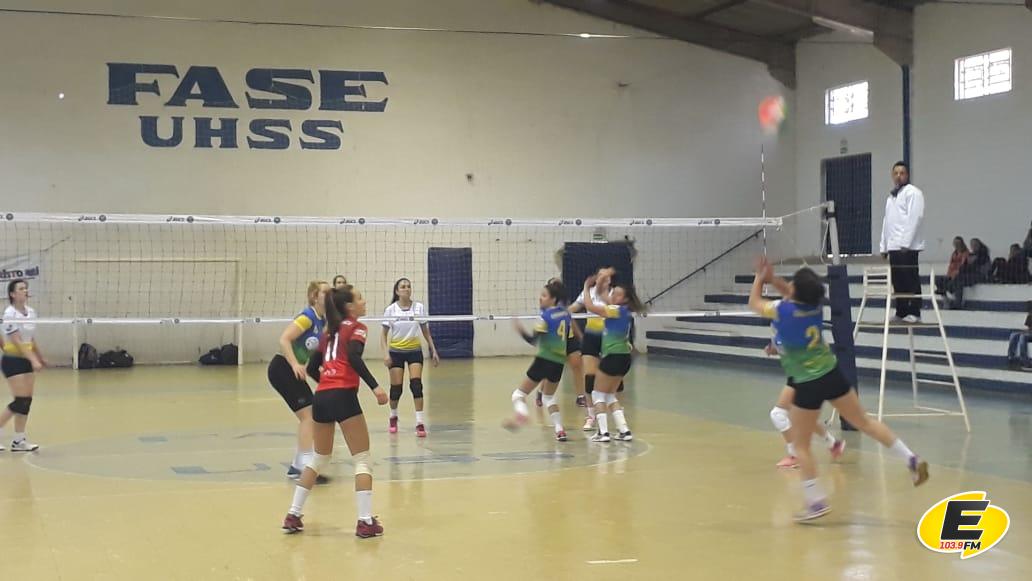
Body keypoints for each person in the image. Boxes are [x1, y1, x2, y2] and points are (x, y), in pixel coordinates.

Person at [749, 258, 929, 521]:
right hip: (831, 373)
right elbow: (793, 291)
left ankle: (815, 502)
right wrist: (773, 279)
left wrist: (759, 277)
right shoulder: (814, 306)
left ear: (795, 290)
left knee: (801, 445)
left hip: (806, 382)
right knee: (865, 422)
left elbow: (754, 303)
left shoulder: (781, 310)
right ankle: (910, 458)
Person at [282, 285, 389, 537]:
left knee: (319, 459)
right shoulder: (357, 327)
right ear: (349, 307)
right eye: (360, 298)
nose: (364, 301)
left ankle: (293, 515)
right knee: (362, 458)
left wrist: (329, 384)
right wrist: (375, 387)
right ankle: (365, 521)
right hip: (343, 395)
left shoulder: (329, 331)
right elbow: (353, 356)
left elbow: (312, 368)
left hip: (322, 396)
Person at [267, 281, 330, 481]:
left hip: (292, 370)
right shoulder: (307, 317)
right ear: (314, 296)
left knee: (311, 414)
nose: (330, 295)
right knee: (308, 416)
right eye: (325, 292)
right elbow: (284, 339)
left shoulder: (322, 320)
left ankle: (297, 465)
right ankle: (303, 465)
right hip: (282, 368)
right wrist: (295, 364)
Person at [763, 323, 846, 469]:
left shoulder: (794, 327)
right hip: (802, 376)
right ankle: (834, 444)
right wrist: (773, 349)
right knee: (804, 417)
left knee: (778, 415)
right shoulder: (781, 326)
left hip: (805, 377)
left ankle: (795, 455)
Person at [579, 271, 645, 443]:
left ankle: (603, 433)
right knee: (609, 396)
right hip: (624, 358)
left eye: (617, 294)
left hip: (613, 357)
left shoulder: (614, 310)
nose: (613, 296)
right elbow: (602, 296)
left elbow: (590, 305)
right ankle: (624, 431)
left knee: (597, 394)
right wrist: (601, 282)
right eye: (613, 292)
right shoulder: (624, 310)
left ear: (625, 299)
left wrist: (586, 287)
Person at [504, 280, 573, 441]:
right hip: (558, 362)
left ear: (553, 299)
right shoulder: (566, 314)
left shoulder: (545, 317)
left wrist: (520, 329)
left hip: (543, 360)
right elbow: (568, 338)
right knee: (549, 397)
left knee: (518, 395)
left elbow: (533, 340)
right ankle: (560, 430)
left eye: (544, 295)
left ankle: (522, 415)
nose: (540, 298)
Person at [380, 278, 439, 438]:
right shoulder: (391, 310)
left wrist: (433, 350)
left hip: (414, 351)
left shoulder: (418, 308)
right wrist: (385, 354)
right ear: (397, 291)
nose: (406, 289)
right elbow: (383, 335)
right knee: (396, 389)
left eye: (408, 286)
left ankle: (419, 422)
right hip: (396, 352)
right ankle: (393, 416)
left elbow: (425, 331)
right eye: (403, 287)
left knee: (416, 385)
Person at [569, 267, 617, 432]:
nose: (604, 278)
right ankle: (591, 415)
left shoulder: (614, 294)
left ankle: (615, 415)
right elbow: (572, 309)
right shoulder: (587, 293)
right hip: (591, 339)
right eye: (601, 275)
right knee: (589, 378)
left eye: (607, 276)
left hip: (609, 339)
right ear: (596, 278)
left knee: (612, 381)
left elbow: (618, 311)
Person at [0, 279, 45, 452]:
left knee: (26, 402)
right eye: (21, 288)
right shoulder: (9, 313)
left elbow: (30, 339)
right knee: (20, 401)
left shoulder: (31, 312)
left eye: (26, 288)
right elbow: (17, 341)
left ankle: (19, 441)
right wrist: (33, 360)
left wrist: (40, 357)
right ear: (12, 294)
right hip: (13, 360)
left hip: (26, 359)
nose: (25, 291)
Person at [880, 161, 926, 323]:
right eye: (896, 173)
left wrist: (906, 243)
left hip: (908, 247)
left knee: (910, 279)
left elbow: (915, 218)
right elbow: (887, 222)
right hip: (893, 246)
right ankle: (901, 311)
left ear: (907, 175)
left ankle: (915, 312)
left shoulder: (913, 193)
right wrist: (884, 246)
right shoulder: (891, 197)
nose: (898, 176)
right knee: (897, 280)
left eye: (902, 173)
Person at [946, 238, 991, 309]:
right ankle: (952, 293)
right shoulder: (971, 255)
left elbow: (978, 268)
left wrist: (970, 265)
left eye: (975, 245)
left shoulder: (983, 255)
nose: (973, 247)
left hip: (980, 276)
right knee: (956, 278)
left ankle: (957, 302)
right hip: (970, 275)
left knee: (959, 281)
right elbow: (964, 267)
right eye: (972, 245)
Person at [1006, 301, 1032, 371]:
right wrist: (1024, 331)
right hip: (1030, 333)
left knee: (1023, 337)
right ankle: (1011, 357)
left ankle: (1025, 362)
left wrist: (1026, 332)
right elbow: (1029, 328)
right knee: (1013, 334)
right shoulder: (1030, 315)